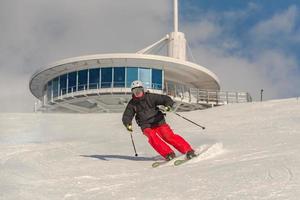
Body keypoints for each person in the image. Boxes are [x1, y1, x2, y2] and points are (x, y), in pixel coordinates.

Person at [122, 80, 196, 161]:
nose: (137, 93)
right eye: (135, 91)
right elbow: (127, 115)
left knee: (167, 136)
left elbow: (165, 99)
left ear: (143, 90)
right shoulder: (132, 103)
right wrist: (127, 124)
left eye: (139, 90)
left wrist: (168, 105)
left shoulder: (150, 97)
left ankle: (188, 151)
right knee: (152, 137)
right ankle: (168, 154)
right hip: (145, 125)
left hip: (158, 120)